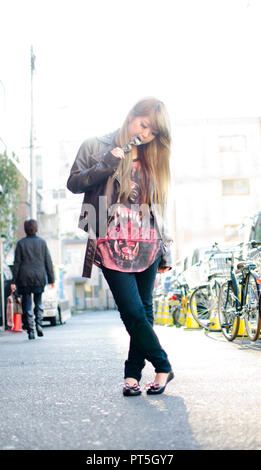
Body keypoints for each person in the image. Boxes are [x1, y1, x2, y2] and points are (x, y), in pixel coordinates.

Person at [67, 97, 174, 396]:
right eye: (143, 125)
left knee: (145, 310)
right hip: (110, 242)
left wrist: (167, 250)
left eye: (152, 132)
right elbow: (74, 183)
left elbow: (159, 208)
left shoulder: (152, 157)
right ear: (131, 117)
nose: (145, 134)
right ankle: (163, 364)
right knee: (131, 310)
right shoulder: (94, 145)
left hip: (149, 243)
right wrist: (108, 161)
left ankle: (132, 376)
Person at [11, 219, 55, 340]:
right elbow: (48, 262)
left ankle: (31, 330)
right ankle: (39, 325)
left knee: (27, 304)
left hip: (24, 277)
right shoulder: (42, 242)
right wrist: (51, 279)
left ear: (25, 229)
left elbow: (17, 263)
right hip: (39, 276)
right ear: (36, 228)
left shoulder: (21, 243)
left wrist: (13, 281)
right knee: (38, 302)